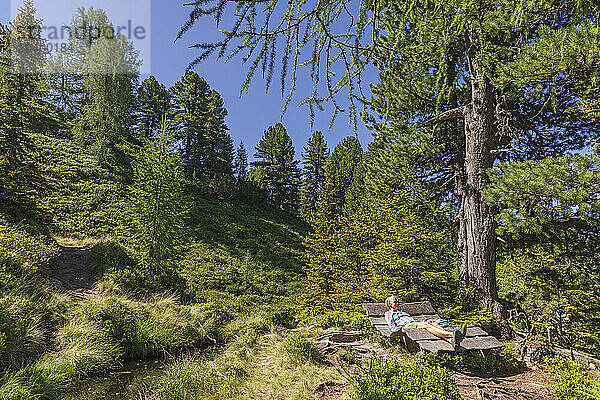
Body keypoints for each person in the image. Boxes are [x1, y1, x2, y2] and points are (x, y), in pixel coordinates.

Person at [384, 295, 467, 349]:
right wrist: (398, 330)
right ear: (390, 304)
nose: (397, 303)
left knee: (435, 323)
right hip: (406, 326)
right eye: (395, 302)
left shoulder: (402, 312)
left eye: (397, 301)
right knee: (427, 325)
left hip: (413, 324)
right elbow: (391, 325)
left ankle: (451, 340)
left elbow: (413, 321)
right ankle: (453, 334)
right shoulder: (389, 314)